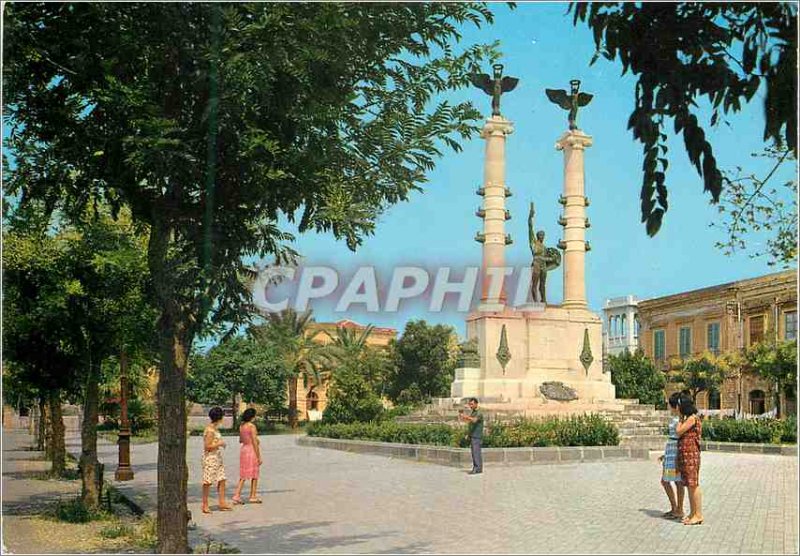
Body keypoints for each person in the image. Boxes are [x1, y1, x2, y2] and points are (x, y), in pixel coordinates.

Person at [676, 393, 704, 525]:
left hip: (691, 456)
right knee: (689, 485)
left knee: (693, 485)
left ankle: (698, 514)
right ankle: (693, 513)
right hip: (687, 456)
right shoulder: (690, 418)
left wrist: (680, 418)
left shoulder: (692, 419)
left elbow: (678, 431)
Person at [658, 392, 685, 520]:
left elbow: (681, 436)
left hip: (676, 450)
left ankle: (679, 509)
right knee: (666, 481)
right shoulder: (675, 418)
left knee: (677, 481)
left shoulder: (680, 418)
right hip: (670, 449)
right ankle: (675, 507)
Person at [201, 406, 232, 514]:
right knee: (208, 481)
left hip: (217, 457)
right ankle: (205, 504)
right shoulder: (210, 430)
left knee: (222, 479)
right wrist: (220, 443)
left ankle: (222, 502)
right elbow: (207, 446)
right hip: (210, 458)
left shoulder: (214, 429)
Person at [232, 408, 262, 505]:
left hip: (244, 449)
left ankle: (237, 495)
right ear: (252, 416)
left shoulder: (242, 426)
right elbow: (254, 441)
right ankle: (252, 495)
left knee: (243, 474)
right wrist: (259, 456)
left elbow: (240, 440)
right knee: (254, 473)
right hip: (251, 450)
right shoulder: (252, 426)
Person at [459, 397, 484, 475]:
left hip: (477, 435)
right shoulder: (473, 412)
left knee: (475, 452)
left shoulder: (479, 412)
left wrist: (465, 417)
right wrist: (468, 434)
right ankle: (478, 468)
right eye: (470, 404)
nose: (470, 406)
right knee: (475, 452)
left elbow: (474, 420)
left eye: (472, 404)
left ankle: (477, 468)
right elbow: (471, 424)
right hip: (473, 435)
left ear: (476, 404)